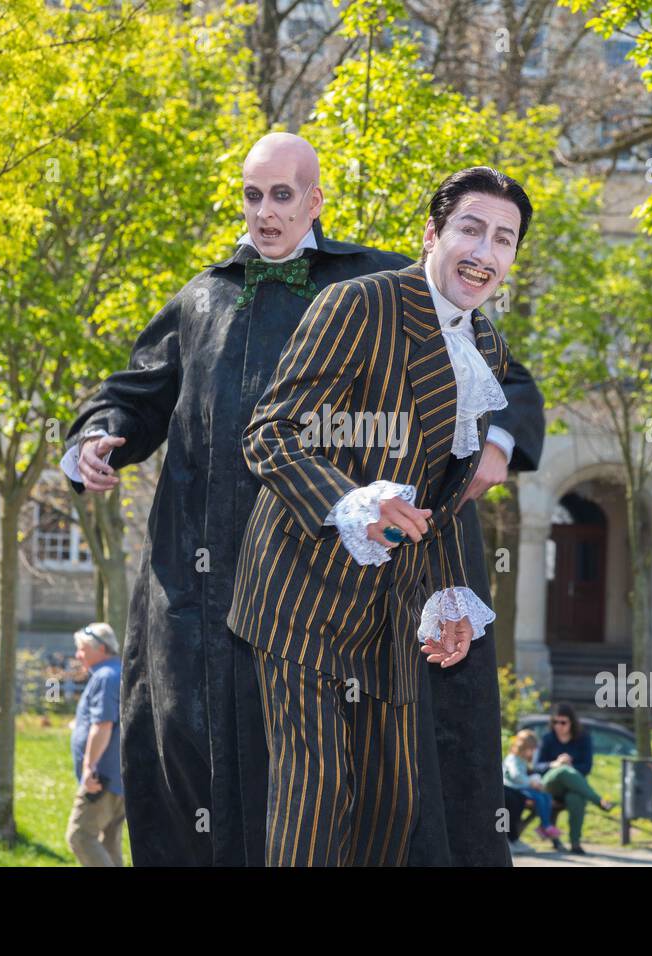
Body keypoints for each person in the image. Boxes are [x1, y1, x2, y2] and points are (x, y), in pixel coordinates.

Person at [61, 135, 544, 866]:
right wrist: (102, 435)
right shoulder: (203, 297)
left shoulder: (384, 283)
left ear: (316, 201)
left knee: (364, 804)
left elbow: (503, 378)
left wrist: (499, 442)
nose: (265, 213)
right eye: (253, 195)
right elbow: (138, 394)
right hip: (211, 586)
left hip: (359, 597)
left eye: (283, 195)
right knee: (211, 773)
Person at [227, 166, 530, 865]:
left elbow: (445, 496)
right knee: (317, 789)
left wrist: (452, 599)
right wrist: (349, 502)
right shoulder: (359, 303)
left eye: (504, 239)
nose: (485, 252)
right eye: (471, 229)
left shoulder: (485, 347)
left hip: (391, 610)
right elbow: (270, 433)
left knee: (390, 806)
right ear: (432, 234)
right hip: (300, 594)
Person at [65, 623, 126, 866]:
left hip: (102, 778)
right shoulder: (118, 672)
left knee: (79, 836)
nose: (78, 655)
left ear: (101, 648)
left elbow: (103, 725)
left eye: (81, 649)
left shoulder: (105, 676)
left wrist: (89, 767)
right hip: (119, 777)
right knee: (109, 842)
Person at [532, 703, 613, 853]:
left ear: (571, 723)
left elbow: (586, 768)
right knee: (562, 770)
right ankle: (598, 800)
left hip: (573, 786)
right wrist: (555, 764)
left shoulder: (583, 739)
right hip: (549, 785)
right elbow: (536, 766)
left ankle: (575, 843)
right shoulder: (547, 738)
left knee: (576, 798)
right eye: (555, 722)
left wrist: (570, 766)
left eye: (563, 722)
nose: (559, 726)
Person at [504, 730, 564, 850]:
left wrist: (536, 782)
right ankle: (545, 826)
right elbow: (516, 776)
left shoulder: (523, 760)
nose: (532, 752)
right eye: (531, 749)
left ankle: (545, 824)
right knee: (538, 798)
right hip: (512, 788)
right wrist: (531, 782)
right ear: (523, 747)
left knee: (546, 796)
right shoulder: (513, 759)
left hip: (520, 788)